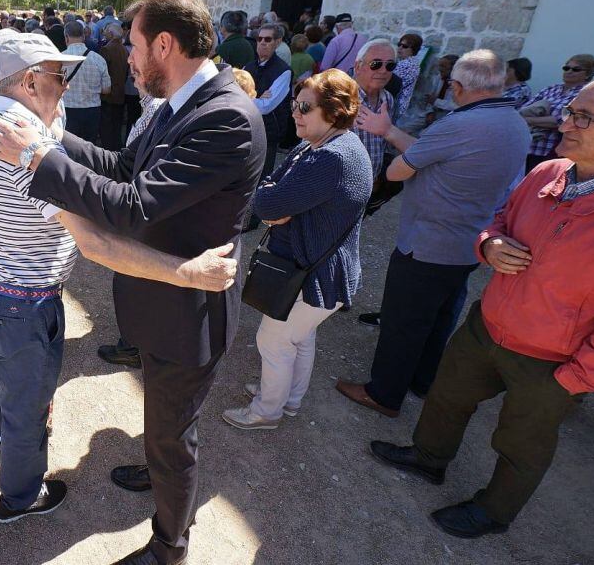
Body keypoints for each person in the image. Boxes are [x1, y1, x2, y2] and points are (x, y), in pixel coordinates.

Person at [0, 0, 264, 564]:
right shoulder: (185, 101)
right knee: (162, 427)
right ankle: (156, 467)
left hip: (189, 316)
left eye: (132, 46)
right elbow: (123, 167)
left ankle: (169, 547)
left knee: (173, 441)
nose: (127, 57)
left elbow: (133, 204)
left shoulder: (225, 118)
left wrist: (35, 159)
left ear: (164, 44)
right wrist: (52, 138)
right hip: (164, 304)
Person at [369, 75, 594, 538]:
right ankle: (428, 458)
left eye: (581, 116)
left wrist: (573, 380)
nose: (564, 122)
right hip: (488, 326)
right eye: (569, 111)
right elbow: (497, 222)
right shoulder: (546, 174)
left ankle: (494, 512)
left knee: (523, 442)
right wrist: (489, 243)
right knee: (447, 396)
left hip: (551, 359)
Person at [336, 50, 530, 417]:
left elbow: (397, 172)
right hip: (470, 242)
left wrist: (394, 141)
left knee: (403, 321)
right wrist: (396, 135)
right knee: (440, 316)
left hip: (428, 242)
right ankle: (422, 380)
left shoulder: (458, 126)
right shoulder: (516, 124)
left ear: (457, 87)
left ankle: (384, 393)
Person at [223, 69, 372, 430]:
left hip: (314, 272)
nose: (295, 112)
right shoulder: (320, 146)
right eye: (295, 104)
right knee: (298, 337)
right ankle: (287, 400)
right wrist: (277, 202)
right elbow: (272, 185)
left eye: (305, 106)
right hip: (319, 270)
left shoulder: (331, 157)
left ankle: (266, 411)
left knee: (273, 340)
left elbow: (267, 204)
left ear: (335, 110)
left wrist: (277, 206)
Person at [521, 53, 594, 172]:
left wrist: (531, 118)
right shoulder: (551, 89)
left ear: (588, 74)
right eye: (566, 68)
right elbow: (523, 110)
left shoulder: (586, 94)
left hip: (551, 151)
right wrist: (547, 119)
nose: (569, 71)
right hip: (528, 146)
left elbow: (563, 121)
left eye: (576, 69)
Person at [244, 23, 292, 210]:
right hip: (247, 127)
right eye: (259, 39)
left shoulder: (283, 71)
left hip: (268, 132)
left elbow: (266, 107)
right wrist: (256, 96)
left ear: (277, 42)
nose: (262, 43)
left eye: (268, 39)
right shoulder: (250, 65)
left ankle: (255, 216)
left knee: (261, 177)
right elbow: (234, 93)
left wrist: (247, 96)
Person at [348, 39, 397, 179]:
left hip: (369, 183)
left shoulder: (388, 99)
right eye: (376, 64)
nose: (383, 71)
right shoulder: (339, 97)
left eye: (390, 65)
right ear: (358, 66)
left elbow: (382, 144)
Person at [60, 19, 110, 144]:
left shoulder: (59, 60)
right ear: (83, 36)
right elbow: (107, 89)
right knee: (89, 148)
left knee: (69, 147)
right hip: (92, 111)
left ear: (66, 37)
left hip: (68, 110)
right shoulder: (98, 59)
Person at [100, 22, 130, 150]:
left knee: (107, 126)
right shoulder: (124, 49)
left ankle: (108, 151)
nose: (104, 33)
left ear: (111, 34)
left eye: (106, 31)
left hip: (108, 94)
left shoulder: (106, 49)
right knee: (117, 125)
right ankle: (116, 148)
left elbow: (103, 73)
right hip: (121, 92)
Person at [393, 33, 423, 120]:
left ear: (413, 50)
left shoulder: (407, 65)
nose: (400, 48)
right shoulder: (413, 63)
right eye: (399, 44)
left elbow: (390, 82)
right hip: (400, 104)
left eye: (405, 46)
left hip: (396, 103)